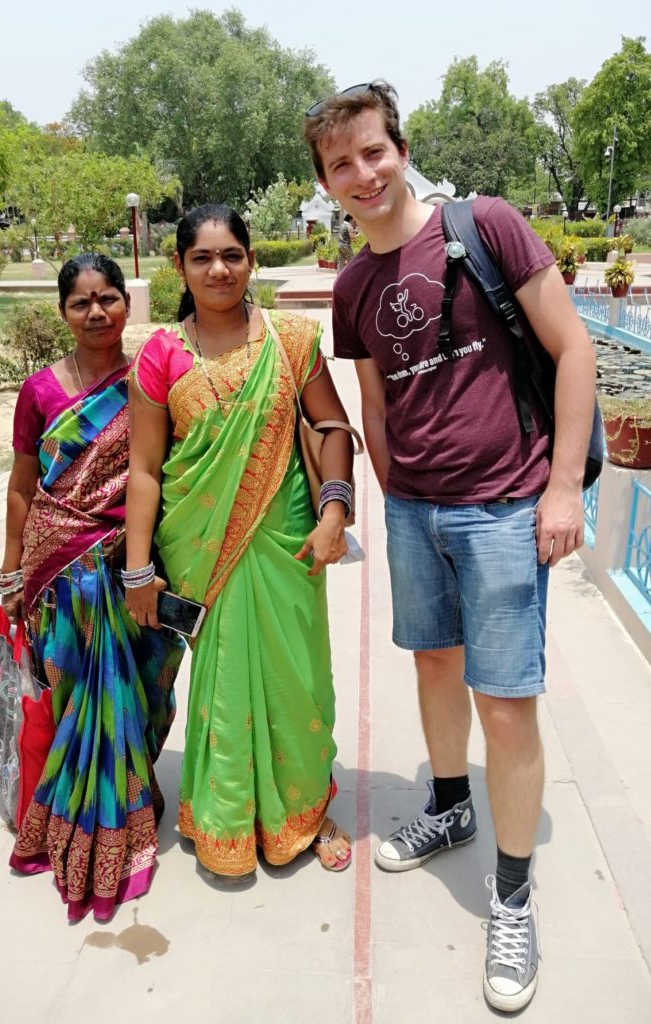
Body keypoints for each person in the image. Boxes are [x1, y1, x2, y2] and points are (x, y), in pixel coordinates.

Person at [304, 81, 596, 1011]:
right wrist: (398, 502)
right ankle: (448, 804)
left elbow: (576, 348)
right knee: (434, 666)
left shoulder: (486, 225)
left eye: (373, 151)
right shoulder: (353, 286)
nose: (362, 173)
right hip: (418, 514)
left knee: (506, 705)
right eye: (340, 163)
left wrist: (559, 489)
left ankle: (512, 897)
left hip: (509, 506)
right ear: (325, 180)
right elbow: (378, 403)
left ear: (399, 147)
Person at [124, 204, 356, 876]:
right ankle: (224, 816)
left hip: (287, 544)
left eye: (231, 255)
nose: (218, 269)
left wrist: (334, 510)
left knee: (298, 683)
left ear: (251, 260)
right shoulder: (161, 357)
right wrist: (139, 570)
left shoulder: (291, 339)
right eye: (202, 258)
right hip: (204, 551)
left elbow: (334, 429)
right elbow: (144, 469)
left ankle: (305, 813)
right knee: (222, 684)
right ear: (181, 267)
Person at [0, 253, 185, 922]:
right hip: (59, 571)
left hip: (133, 565)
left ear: (126, 307)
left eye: (108, 298)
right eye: (81, 302)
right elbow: (23, 487)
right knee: (78, 697)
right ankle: (92, 816)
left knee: (146, 685)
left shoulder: (151, 379)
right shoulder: (41, 391)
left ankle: (130, 788)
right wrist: (12, 568)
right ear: (63, 313)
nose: (97, 311)